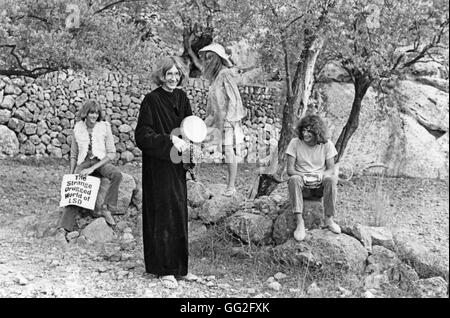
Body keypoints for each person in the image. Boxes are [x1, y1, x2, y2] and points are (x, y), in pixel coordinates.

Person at [135, 56, 199, 289]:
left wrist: (191, 156)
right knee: (162, 214)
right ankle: (163, 270)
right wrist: (168, 139)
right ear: (162, 75)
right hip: (158, 166)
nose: (173, 78)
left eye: (176, 74)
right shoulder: (151, 100)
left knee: (179, 213)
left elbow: (190, 130)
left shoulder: (182, 97)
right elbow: (142, 135)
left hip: (177, 165)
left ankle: (180, 269)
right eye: (169, 74)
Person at [57, 100, 120, 232]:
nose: (93, 116)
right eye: (91, 113)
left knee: (116, 175)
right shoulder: (78, 128)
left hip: (100, 161)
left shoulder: (105, 127)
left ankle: (107, 208)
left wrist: (93, 168)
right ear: (85, 113)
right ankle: (65, 226)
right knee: (76, 187)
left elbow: (111, 153)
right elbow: (74, 154)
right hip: (84, 162)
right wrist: (72, 173)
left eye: (96, 113)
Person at [199, 43, 246, 196]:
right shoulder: (214, 80)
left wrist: (229, 120)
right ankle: (194, 180)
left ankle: (231, 186)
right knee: (194, 141)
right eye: (206, 58)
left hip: (227, 120)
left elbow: (235, 98)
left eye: (210, 57)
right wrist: (205, 122)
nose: (207, 61)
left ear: (218, 58)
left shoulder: (225, 74)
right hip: (216, 119)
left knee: (228, 150)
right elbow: (213, 106)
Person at [286, 114, 341, 241]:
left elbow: (331, 169)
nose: (305, 134)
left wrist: (320, 176)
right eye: (304, 130)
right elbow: (290, 170)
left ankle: (329, 219)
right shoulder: (295, 143)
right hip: (302, 185)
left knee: (332, 179)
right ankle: (300, 223)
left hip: (319, 186)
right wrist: (304, 176)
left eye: (309, 131)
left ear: (317, 132)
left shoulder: (327, 145)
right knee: (294, 179)